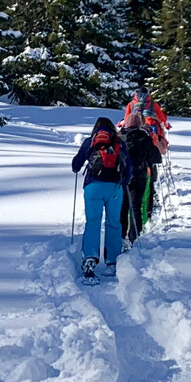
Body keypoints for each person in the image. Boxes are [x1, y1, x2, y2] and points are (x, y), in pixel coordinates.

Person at [71, 116, 132, 271]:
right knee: (114, 223)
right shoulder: (119, 142)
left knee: (93, 222)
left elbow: (76, 165)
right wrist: (123, 183)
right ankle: (112, 260)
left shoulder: (90, 141)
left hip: (93, 186)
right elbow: (128, 167)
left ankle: (90, 258)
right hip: (114, 188)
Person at [118, 113, 163, 243]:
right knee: (136, 207)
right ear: (139, 124)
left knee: (123, 207)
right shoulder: (144, 138)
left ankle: (121, 237)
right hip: (139, 176)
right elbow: (156, 158)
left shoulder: (119, 138)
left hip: (122, 177)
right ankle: (134, 238)